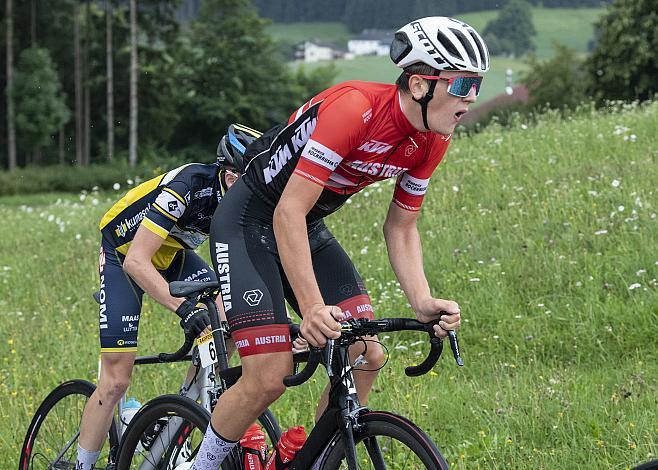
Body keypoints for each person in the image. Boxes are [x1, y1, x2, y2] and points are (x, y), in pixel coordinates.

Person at [191, 16, 490, 469]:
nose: (471, 98)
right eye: (463, 84)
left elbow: (402, 226)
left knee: (365, 350)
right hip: (250, 219)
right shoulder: (354, 109)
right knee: (270, 377)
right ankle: (202, 465)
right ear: (419, 84)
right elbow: (285, 211)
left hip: (304, 224)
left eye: (477, 86)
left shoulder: (432, 139)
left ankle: (310, 458)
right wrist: (312, 307)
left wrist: (422, 299)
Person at [75, 124, 263, 470]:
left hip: (172, 251)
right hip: (124, 253)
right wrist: (184, 309)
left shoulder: (245, 203)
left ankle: (176, 415)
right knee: (116, 381)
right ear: (227, 173)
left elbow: (248, 266)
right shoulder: (187, 186)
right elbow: (137, 262)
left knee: (227, 315)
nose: (249, 190)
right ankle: (82, 465)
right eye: (242, 179)